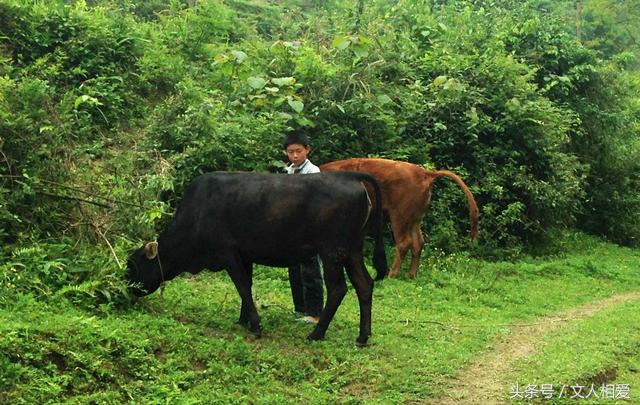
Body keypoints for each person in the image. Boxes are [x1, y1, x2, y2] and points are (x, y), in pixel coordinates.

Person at [282, 132, 324, 324]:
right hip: (293, 228)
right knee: (294, 268)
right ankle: (300, 308)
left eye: (299, 151)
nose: (295, 156)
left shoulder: (313, 172)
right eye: (291, 152)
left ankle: (315, 313)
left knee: (311, 269)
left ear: (307, 150)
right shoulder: (289, 171)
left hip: (309, 227)